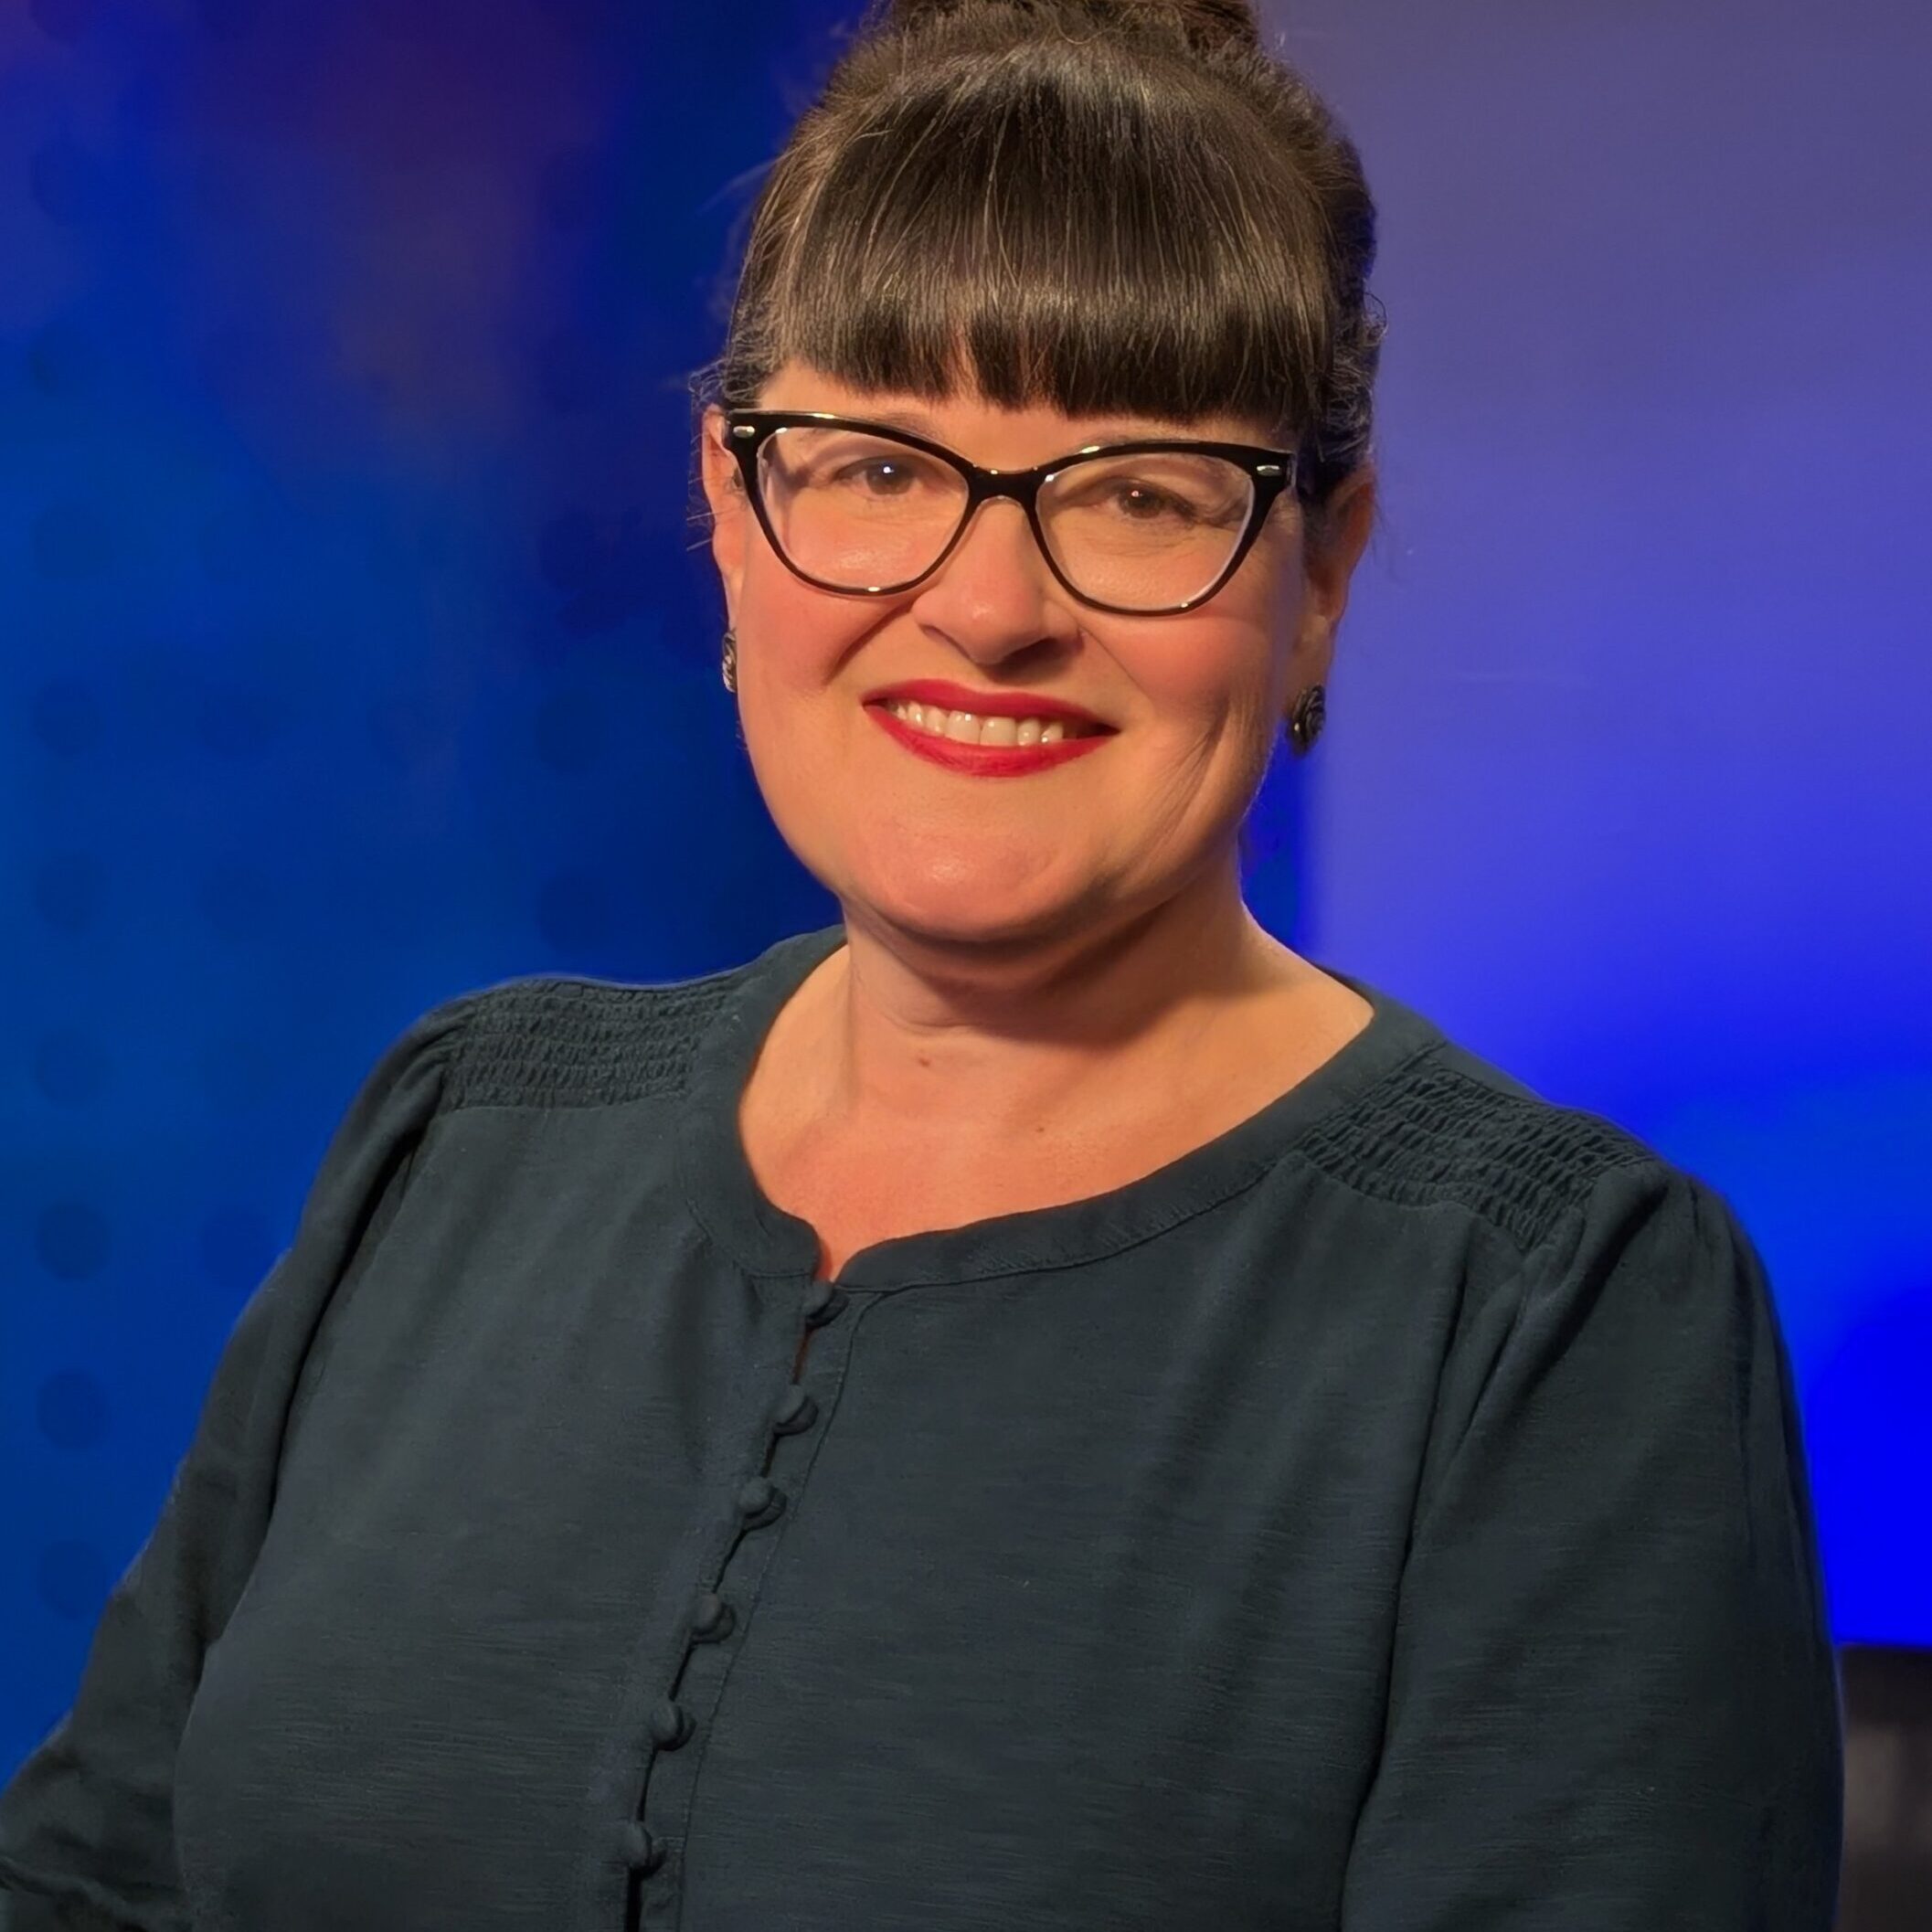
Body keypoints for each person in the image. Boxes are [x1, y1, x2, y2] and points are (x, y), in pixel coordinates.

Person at [0, 0, 1842, 1927]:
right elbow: (89, 1885)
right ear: (730, 511)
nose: (982, 607)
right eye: (877, 463)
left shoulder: (1547, 1309)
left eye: (1140, 492)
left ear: (1324, 571)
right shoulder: (459, 1134)